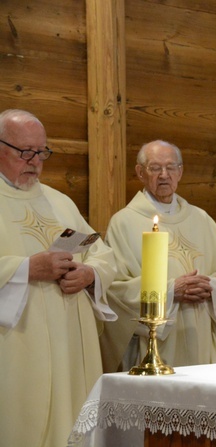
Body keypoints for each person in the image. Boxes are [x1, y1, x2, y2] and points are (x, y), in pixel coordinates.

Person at [0, 109, 117, 446]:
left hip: (71, 349)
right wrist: (25, 269)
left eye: (42, 152)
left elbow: (101, 253)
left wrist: (89, 274)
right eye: (25, 152)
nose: (35, 161)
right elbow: (27, 266)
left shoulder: (60, 201)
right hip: (18, 351)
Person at [102, 140, 216, 372]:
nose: (164, 175)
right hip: (158, 341)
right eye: (155, 168)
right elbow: (115, 290)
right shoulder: (124, 222)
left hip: (204, 336)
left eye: (171, 167)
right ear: (140, 173)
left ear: (180, 172)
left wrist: (212, 288)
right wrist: (169, 291)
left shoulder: (202, 219)